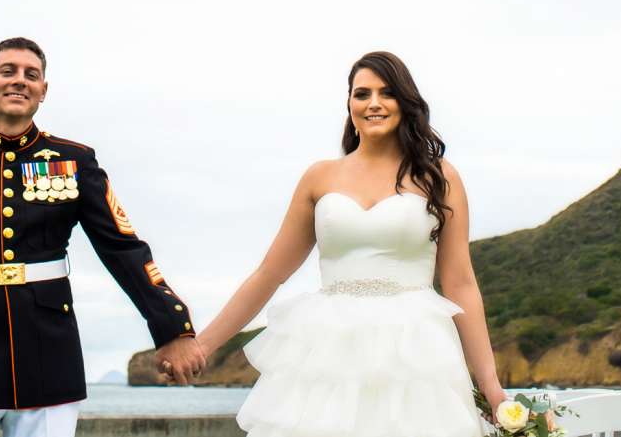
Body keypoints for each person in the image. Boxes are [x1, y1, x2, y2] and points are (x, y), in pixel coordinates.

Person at [0, 38, 203, 437]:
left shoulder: (74, 161)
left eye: (31, 75)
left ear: (44, 90)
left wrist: (173, 328)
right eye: (8, 71)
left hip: (48, 355)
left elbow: (123, 249)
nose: (20, 81)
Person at [187, 50, 502, 437]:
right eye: (361, 93)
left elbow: (460, 284)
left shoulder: (439, 178)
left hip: (415, 354)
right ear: (349, 104)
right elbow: (269, 274)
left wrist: (491, 388)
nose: (373, 103)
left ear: (405, 103)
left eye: (386, 93)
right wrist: (202, 346)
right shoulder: (320, 178)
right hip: (327, 353)